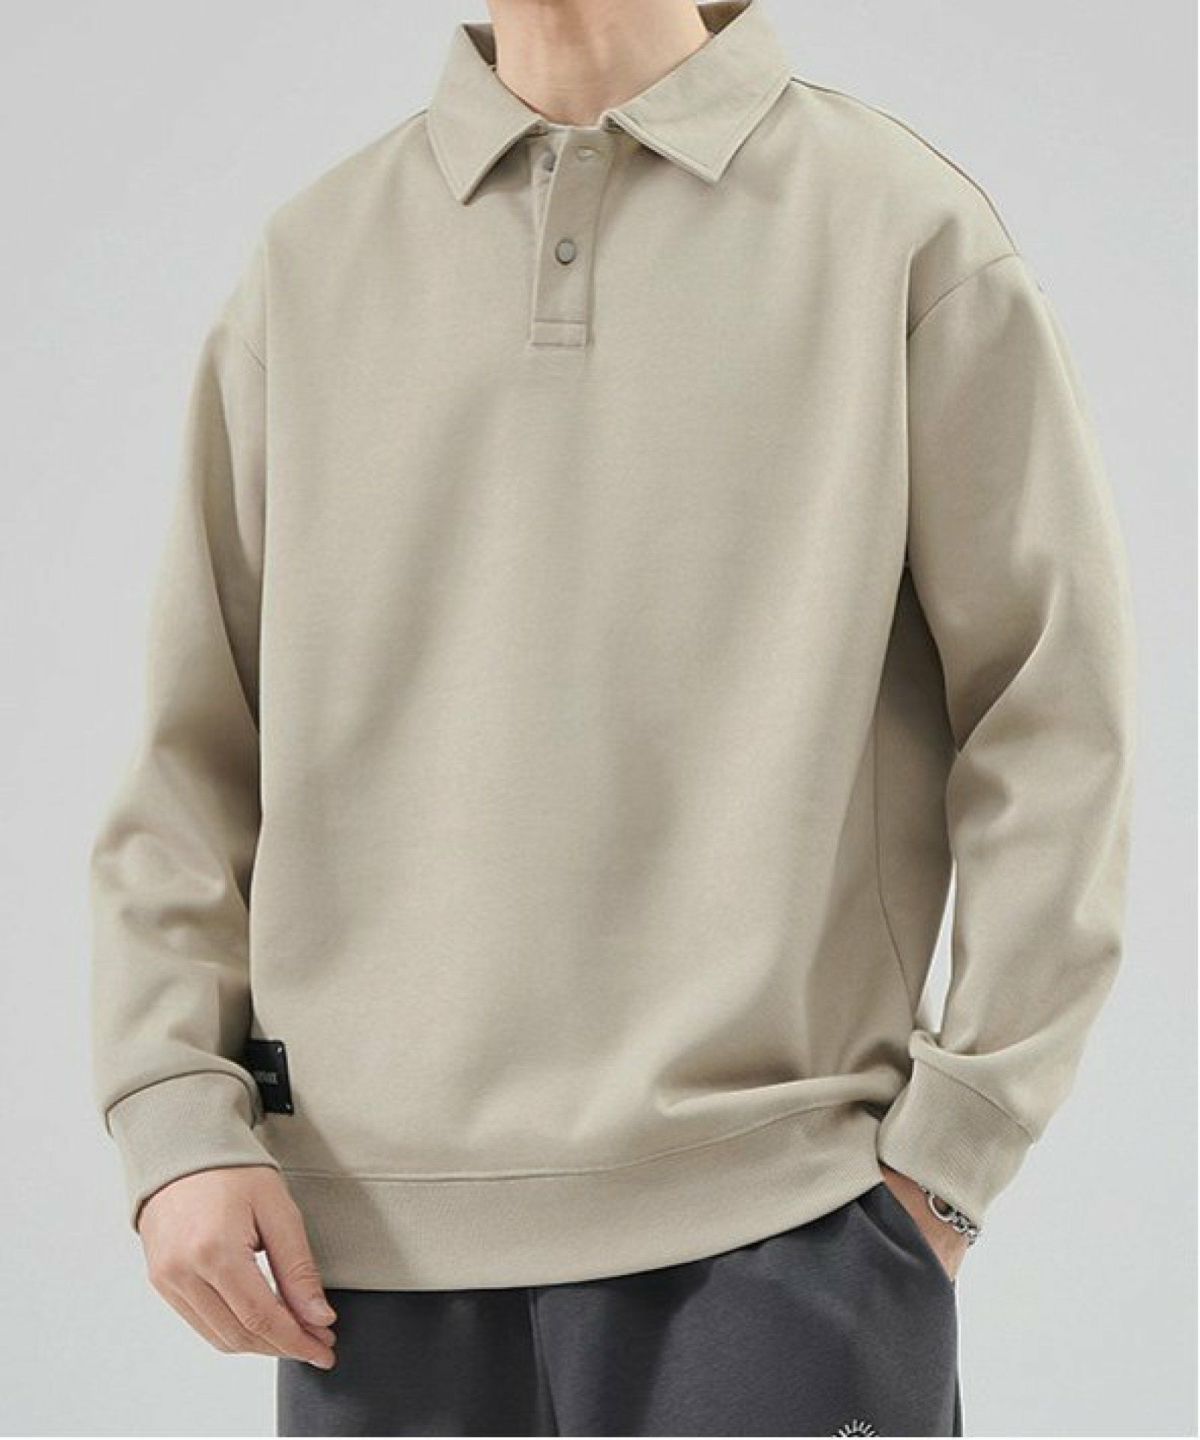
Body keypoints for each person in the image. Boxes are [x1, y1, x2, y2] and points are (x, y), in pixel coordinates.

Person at [89, 1, 1136, 1434]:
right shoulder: (312, 264)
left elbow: (1053, 713)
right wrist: (175, 1118)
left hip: (781, 1225)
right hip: (375, 1265)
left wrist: (953, 1156)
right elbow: (196, 755)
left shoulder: (897, 227)